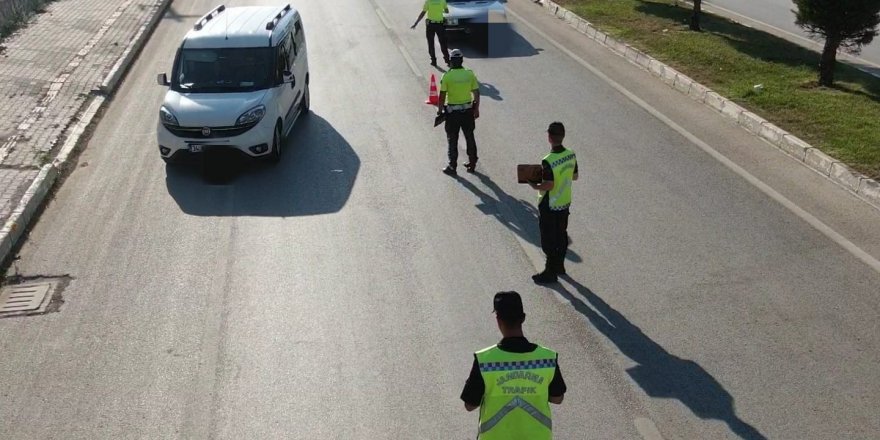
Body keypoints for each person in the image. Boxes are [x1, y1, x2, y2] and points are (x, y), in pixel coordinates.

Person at [460, 291, 566, 439]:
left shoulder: (485, 360)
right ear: (523, 318)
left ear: (498, 319)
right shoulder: (547, 358)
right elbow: (557, 398)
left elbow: (469, 405)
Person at [529, 122, 578, 284]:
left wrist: (534, 185)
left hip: (549, 203)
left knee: (549, 238)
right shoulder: (571, 154)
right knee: (561, 234)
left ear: (549, 137)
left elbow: (549, 185)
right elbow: (575, 176)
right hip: (564, 202)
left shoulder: (548, 160)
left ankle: (550, 272)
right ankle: (559, 266)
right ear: (563, 136)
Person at [438, 48, 480, 176]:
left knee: (452, 139)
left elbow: (442, 95)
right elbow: (476, 93)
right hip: (467, 112)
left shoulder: (447, 76)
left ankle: (452, 166)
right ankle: (472, 163)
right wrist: (476, 109)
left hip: (453, 114)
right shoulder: (469, 74)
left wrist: (440, 110)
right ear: (461, 60)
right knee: (469, 137)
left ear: (451, 61)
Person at [410, 0, 450, 66]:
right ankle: (447, 60)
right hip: (440, 25)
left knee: (431, 43)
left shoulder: (428, 1)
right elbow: (447, 11)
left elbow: (423, 13)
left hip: (430, 25)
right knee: (443, 43)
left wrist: (416, 23)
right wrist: (440, 11)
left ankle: (433, 61)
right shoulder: (442, 1)